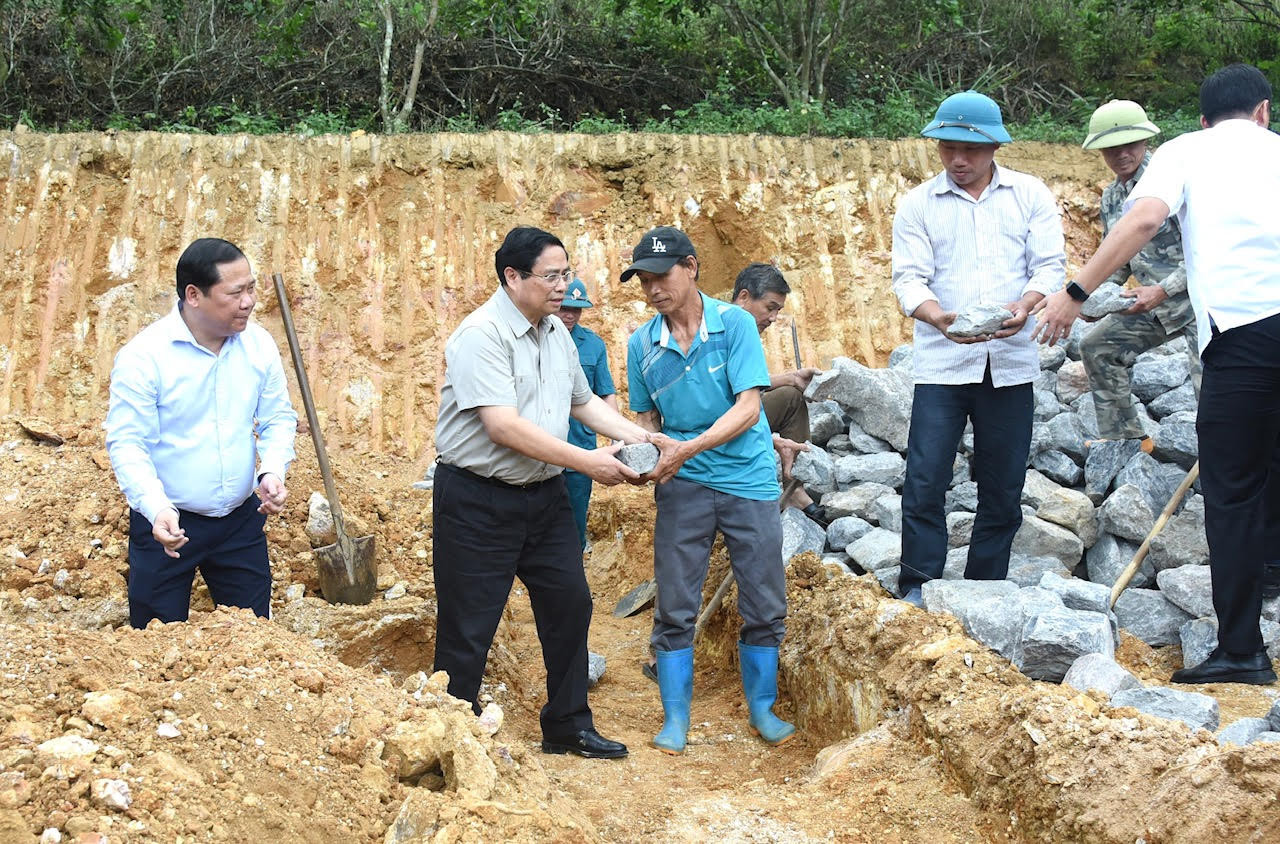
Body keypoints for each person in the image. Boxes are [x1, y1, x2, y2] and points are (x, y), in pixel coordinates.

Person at [1033, 64, 1280, 685]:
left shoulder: (1184, 152)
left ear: (1202, 120)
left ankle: (1243, 651)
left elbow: (1143, 221)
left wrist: (1074, 293)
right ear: (1263, 111)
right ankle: (1272, 564)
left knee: (1232, 489)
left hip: (1243, 335)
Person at [433, 225, 674, 759]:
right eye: (551, 276)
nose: (563, 285)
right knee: (469, 623)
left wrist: (644, 438)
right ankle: (450, 738)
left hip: (543, 496)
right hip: (477, 499)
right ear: (512, 276)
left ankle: (567, 724)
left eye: (566, 273)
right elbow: (503, 427)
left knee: (570, 605)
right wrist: (588, 463)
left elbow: (582, 403)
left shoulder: (556, 333)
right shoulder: (481, 335)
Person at [891, 90, 1066, 609]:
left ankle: (985, 592)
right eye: (948, 148)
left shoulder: (1029, 194)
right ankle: (918, 587)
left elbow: (1049, 266)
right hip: (942, 365)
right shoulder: (919, 203)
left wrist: (1026, 305)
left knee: (1003, 485)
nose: (957, 160)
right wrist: (937, 317)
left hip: (1009, 364)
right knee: (925, 480)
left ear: (994, 147)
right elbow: (908, 278)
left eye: (969, 149)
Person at [623, 225, 794, 754]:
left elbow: (748, 408)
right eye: (644, 280)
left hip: (747, 479)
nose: (654, 288)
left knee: (764, 597)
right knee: (676, 600)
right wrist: (646, 456)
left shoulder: (735, 323)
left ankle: (762, 709)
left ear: (692, 267)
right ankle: (676, 718)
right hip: (684, 484)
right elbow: (647, 420)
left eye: (663, 275)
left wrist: (686, 448)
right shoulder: (641, 345)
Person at [105, 238, 298, 629]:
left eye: (251, 288)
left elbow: (278, 417)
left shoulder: (258, 345)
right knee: (157, 640)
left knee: (254, 639)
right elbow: (128, 443)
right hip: (168, 524)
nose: (249, 302)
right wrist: (156, 508)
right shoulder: (145, 357)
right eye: (235, 293)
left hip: (240, 523)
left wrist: (273, 470)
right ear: (194, 295)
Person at [1078, 99, 1199, 453]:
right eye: (1111, 148)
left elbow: (1205, 253)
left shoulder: (1173, 182)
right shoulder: (1112, 197)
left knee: (1212, 391)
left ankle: (1228, 465)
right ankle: (1126, 439)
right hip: (1155, 305)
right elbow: (1116, 258)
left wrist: (1163, 290)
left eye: (1129, 144)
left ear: (1145, 140)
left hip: (1200, 303)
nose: (1121, 154)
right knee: (1096, 346)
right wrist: (1093, 298)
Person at [731, 262, 828, 524]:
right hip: (716, 423)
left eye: (778, 310)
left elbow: (748, 383)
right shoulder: (722, 330)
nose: (773, 318)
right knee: (788, 399)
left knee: (790, 396)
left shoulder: (745, 331)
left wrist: (792, 378)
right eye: (770, 307)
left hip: (737, 411)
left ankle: (793, 488)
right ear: (744, 297)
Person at [556, 278, 619, 552]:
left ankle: (576, 554)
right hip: (543, 447)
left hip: (581, 447)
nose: (570, 315)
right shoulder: (537, 339)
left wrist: (616, 438)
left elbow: (606, 392)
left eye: (576, 310)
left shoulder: (593, 345)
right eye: (565, 308)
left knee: (576, 514)